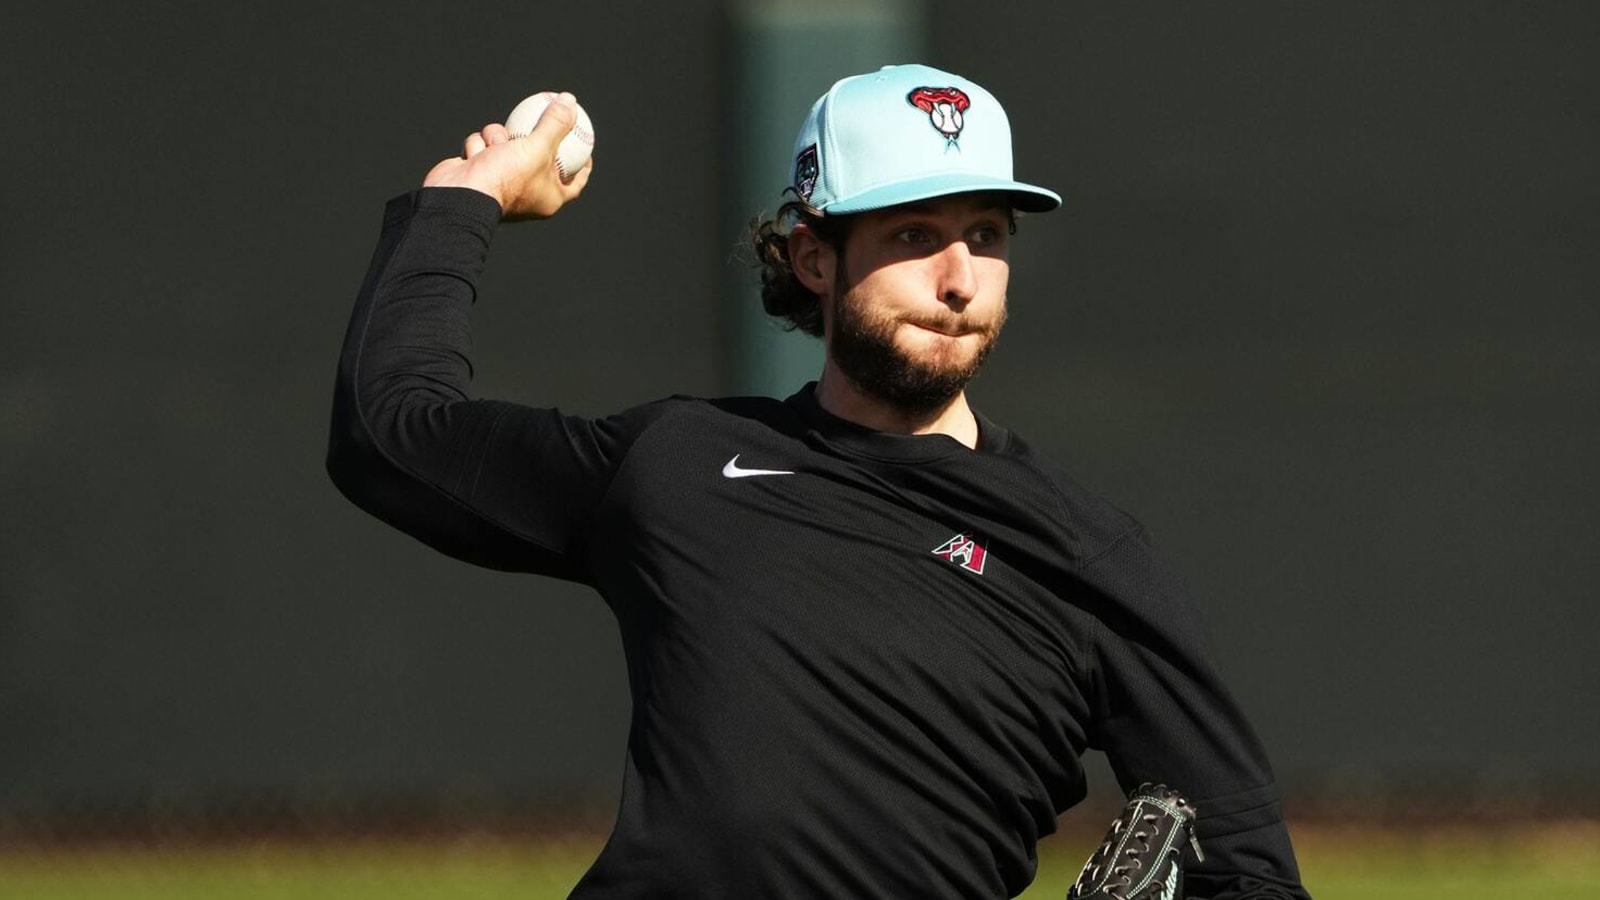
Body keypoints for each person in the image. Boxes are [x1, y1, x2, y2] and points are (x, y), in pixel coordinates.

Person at [328, 64, 1311, 899]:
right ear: (812, 256)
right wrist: (465, 199)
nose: (960, 277)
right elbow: (391, 436)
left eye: (989, 235)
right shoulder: (679, 462)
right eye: (913, 236)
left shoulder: (1089, 557)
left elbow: (1248, 869)